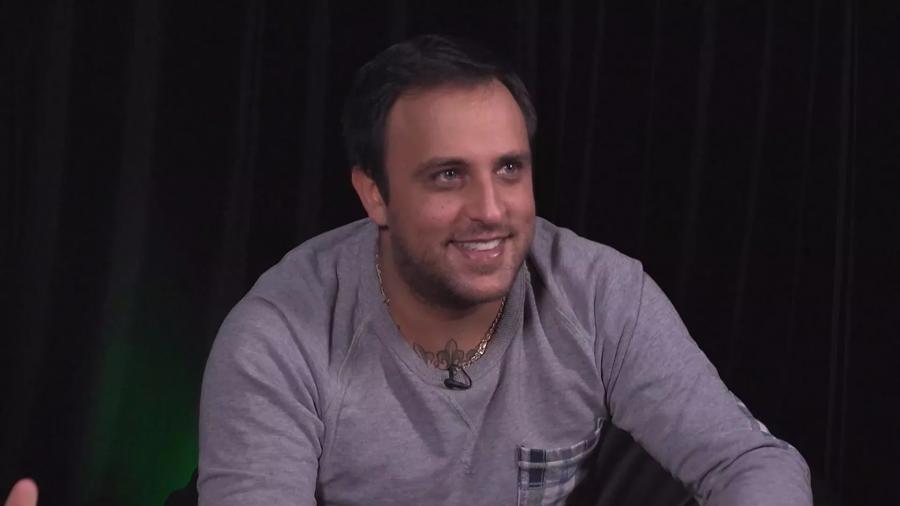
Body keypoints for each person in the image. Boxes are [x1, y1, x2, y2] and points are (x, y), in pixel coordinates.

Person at [198, 34, 812, 505]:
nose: (491, 211)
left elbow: (753, 463)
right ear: (374, 195)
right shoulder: (278, 336)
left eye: (509, 169)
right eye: (448, 175)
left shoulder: (600, 294)